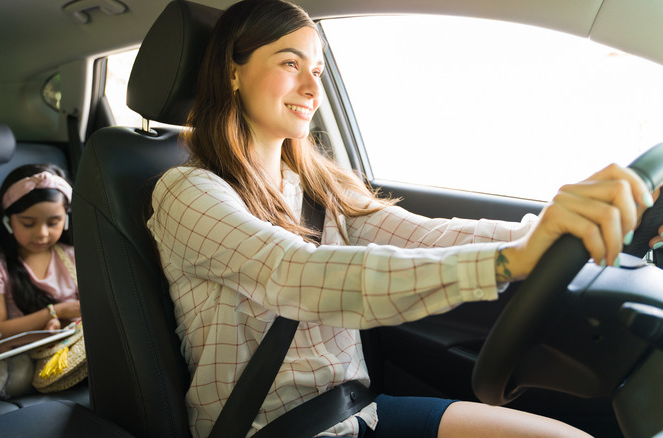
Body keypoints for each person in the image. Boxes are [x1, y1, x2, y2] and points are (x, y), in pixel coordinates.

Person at [146, 1, 662, 437]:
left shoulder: (319, 185)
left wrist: (559, 234)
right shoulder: (187, 192)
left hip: (359, 414)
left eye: (317, 71)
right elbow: (295, 273)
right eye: (289, 62)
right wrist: (508, 262)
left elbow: (423, 236)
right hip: (274, 429)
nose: (311, 87)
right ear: (232, 72)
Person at [0, 164, 79, 339]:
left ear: (66, 220)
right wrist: (56, 312)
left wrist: (60, 324)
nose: (42, 233)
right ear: (8, 220)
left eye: (53, 223)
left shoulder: (73, 256)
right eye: (28, 224)